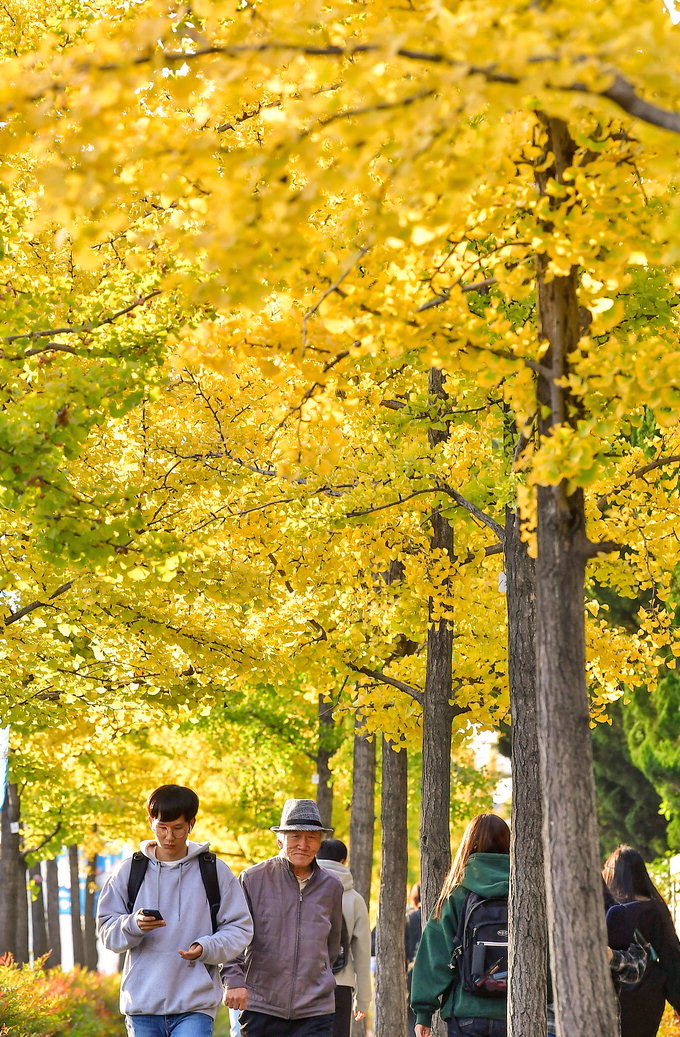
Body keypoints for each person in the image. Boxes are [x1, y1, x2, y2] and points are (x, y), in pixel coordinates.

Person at [97, 784, 253, 1037]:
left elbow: (240, 928)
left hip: (195, 1005)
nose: (169, 837)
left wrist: (206, 948)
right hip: (142, 1005)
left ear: (191, 824)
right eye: (162, 828)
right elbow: (106, 931)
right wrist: (133, 925)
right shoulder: (128, 871)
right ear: (150, 822)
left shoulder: (214, 870)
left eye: (178, 828)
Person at [222, 798, 344, 1037]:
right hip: (262, 1005)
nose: (303, 844)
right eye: (295, 836)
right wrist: (233, 980)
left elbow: (332, 943)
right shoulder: (252, 879)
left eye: (311, 837)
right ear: (280, 840)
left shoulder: (332, 886)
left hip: (316, 1009)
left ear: (320, 842)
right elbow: (232, 935)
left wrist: (320, 975)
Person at [410, 812, 510, 1037]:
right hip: (516, 1011)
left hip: (467, 1010)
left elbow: (435, 953)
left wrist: (423, 1012)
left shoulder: (458, 891)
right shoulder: (525, 889)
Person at [603, 844, 680, 1037]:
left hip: (615, 994)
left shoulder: (611, 910)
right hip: (649, 997)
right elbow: (671, 956)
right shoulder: (655, 908)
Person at [316, 837, 371, 1037]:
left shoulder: (303, 890)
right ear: (344, 861)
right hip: (341, 985)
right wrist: (363, 999)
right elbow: (363, 953)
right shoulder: (355, 899)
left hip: (307, 983)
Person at [405, 882, 422, 1037]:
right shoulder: (440, 916)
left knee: (412, 1017)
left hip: (413, 972)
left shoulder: (410, 918)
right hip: (435, 972)